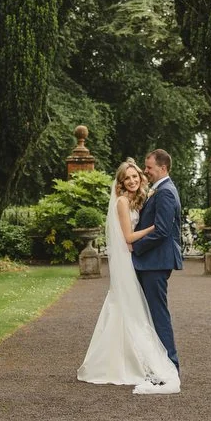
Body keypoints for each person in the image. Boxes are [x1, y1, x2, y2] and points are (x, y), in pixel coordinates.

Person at [76, 158, 181, 394]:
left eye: (137, 175)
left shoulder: (146, 195)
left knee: (140, 311)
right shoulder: (123, 202)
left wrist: (152, 231)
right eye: (128, 177)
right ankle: (130, 362)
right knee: (132, 310)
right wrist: (153, 227)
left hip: (143, 261)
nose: (135, 178)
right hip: (130, 259)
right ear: (121, 182)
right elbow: (129, 237)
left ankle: (157, 361)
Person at [131, 149, 183, 375]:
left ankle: (171, 365)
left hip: (155, 262)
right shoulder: (159, 190)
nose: (145, 171)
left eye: (149, 167)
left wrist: (135, 247)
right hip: (152, 261)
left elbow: (162, 230)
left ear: (163, 168)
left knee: (158, 313)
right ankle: (154, 363)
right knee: (150, 313)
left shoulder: (165, 192)